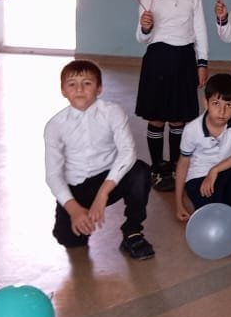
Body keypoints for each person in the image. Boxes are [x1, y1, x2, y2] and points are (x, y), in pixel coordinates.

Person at [44, 59, 154, 260]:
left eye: (87, 83)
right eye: (72, 84)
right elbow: (53, 174)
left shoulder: (112, 112)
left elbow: (127, 152)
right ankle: (77, 216)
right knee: (70, 240)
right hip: (76, 187)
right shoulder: (55, 126)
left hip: (109, 180)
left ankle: (132, 232)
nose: (79, 89)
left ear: (99, 88)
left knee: (140, 171)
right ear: (63, 91)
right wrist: (74, 209)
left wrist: (103, 193)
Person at [135, 0, 208, 193]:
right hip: (157, 60)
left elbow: (200, 31)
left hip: (184, 60)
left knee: (178, 117)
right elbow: (141, 38)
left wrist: (202, 62)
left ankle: (177, 164)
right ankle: (157, 167)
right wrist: (146, 27)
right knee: (156, 118)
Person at [175, 73, 231, 218]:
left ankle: (229, 205)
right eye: (216, 103)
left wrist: (214, 170)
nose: (222, 112)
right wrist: (179, 204)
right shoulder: (192, 129)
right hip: (199, 178)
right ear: (206, 103)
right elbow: (183, 164)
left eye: (229, 105)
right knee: (213, 213)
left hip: (223, 171)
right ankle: (225, 205)